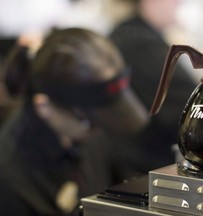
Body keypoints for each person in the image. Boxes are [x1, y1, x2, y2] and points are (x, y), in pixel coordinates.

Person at [0, 27, 149, 216]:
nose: (98, 131)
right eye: (90, 122)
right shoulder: (11, 182)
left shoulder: (89, 128)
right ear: (44, 107)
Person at [109, 0, 198, 173]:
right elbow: (189, 106)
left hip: (135, 158)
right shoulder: (140, 43)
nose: (179, 3)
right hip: (146, 164)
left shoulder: (131, 33)